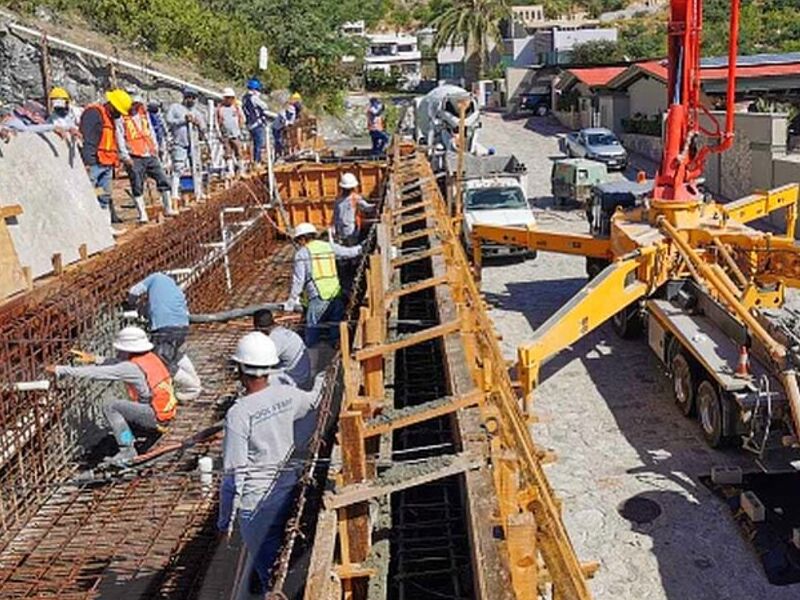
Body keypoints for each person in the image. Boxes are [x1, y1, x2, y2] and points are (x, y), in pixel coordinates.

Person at [218, 332, 322, 589]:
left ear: (241, 369)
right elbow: (313, 401)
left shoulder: (239, 414)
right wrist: (322, 378)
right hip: (288, 492)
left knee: (271, 577)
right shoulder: (287, 394)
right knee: (284, 564)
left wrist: (224, 522)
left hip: (256, 508)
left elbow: (232, 477)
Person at [46, 326, 177, 466]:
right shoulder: (149, 358)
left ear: (127, 349)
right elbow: (120, 365)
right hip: (164, 413)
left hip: (154, 416)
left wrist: (61, 370)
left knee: (111, 407)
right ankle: (130, 437)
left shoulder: (130, 368)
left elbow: (97, 373)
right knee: (124, 414)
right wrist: (94, 359)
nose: (118, 351)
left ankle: (127, 449)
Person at [284, 222, 361, 347]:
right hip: (335, 293)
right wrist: (363, 247)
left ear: (302, 238)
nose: (298, 244)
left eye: (298, 240)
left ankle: (310, 355)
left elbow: (298, 280)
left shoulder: (302, 254)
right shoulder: (328, 246)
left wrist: (291, 301)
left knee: (313, 328)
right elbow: (350, 252)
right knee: (334, 326)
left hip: (318, 296)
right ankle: (334, 351)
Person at [128, 272, 201, 400]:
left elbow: (134, 291)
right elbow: (157, 307)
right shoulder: (172, 288)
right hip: (182, 327)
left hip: (165, 329)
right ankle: (195, 381)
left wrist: (129, 306)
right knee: (176, 355)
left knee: (161, 363)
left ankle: (193, 387)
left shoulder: (154, 277)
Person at [116, 92, 175, 222]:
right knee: (137, 184)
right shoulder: (121, 118)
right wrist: (124, 155)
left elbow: (150, 131)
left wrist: (156, 147)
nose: (136, 107)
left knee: (162, 179)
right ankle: (142, 214)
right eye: (134, 104)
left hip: (149, 153)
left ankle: (168, 208)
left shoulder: (144, 114)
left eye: (137, 104)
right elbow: (119, 136)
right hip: (134, 155)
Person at [80, 89, 132, 226]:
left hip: (106, 164)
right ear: (112, 105)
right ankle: (90, 228)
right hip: (94, 165)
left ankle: (106, 228)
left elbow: (111, 141)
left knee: (103, 196)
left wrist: (116, 161)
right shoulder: (93, 113)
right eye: (118, 111)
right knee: (90, 195)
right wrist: (88, 163)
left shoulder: (110, 117)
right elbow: (88, 140)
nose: (119, 115)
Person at [253, 309, 312, 390]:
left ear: (259, 328)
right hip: (301, 374)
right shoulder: (282, 332)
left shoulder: (274, 340)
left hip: (296, 381)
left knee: (258, 379)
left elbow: (262, 364)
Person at [166, 87, 206, 199]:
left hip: (194, 144)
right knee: (178, 167)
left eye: (193, 98)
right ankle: (174, 193)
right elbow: (169, 121)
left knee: (197, 168)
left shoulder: (197, 112)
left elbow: (203, 128)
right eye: (188, 97)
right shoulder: (175, 108)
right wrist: (183, 120)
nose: (191, 100)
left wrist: (197, 123)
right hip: (179, 142)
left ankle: (199, 191)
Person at [333, 172, 375, 246]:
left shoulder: (354, 198)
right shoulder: (339, 200)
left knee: (351, 248)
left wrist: (375, 206)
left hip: (351, 231)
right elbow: (336, 216)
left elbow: (367, 208)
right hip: (342, 232)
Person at [241, 78, 276, 163]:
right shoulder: (254, 98)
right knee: (259, 144)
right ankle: (257, 161)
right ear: (255, 89)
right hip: (257, 124)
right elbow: (264, 106)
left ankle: (255, 160)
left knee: (254, 144)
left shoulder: (244, 98)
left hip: (249, 124)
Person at [216, 87, 245, 175]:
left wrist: (240, 129)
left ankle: (241, 170)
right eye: (227, 97)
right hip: (225, 135)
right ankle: (231, 170)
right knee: (228, 153)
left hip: (236, 134)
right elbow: (217, 122)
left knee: (239, 152)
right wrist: (219, 133)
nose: (229, 100)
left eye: (231, 97)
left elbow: (242, 118)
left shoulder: (236, 107)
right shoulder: (219, 109)